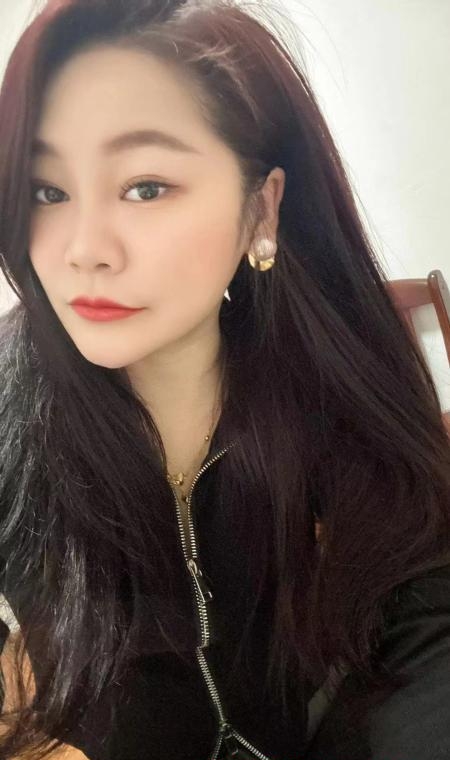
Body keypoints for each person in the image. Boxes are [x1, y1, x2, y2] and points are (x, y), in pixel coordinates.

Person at [0, 0, 449, 758]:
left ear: (261, 210)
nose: (83, 249)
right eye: (47, 190)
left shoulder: (337, 375)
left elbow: (426, 608)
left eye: (145, 186)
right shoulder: (13, 411)